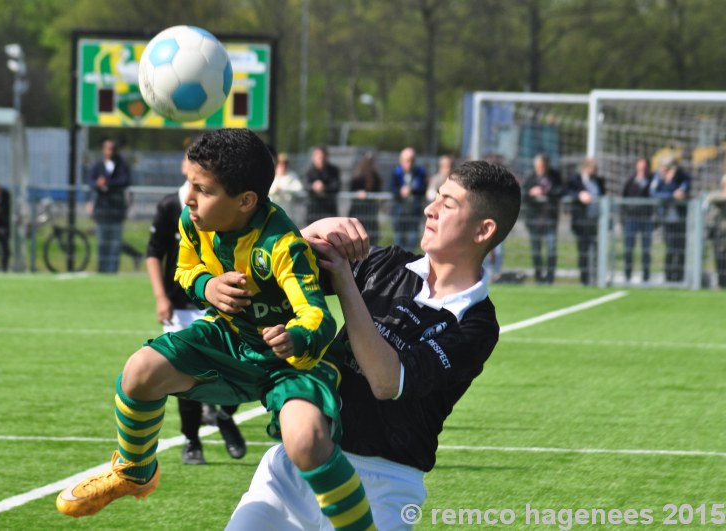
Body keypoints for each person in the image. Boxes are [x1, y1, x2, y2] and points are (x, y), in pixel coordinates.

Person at [57, 129, 375, 530]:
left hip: (288, 363)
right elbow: (185, 270)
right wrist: (208, 286)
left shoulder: (282, 245)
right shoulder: (193, 220)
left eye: (201, 189)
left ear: (245, 202)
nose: (188, 197)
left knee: (306, 441)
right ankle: (134, 471)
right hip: (228, 339)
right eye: (189, 182)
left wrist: (293, 336)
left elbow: (317, 317)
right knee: (138, 372)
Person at [228, 160, 522, 530]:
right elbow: (265, 280)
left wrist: (346, 282)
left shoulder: (477, 324)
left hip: (383, 484)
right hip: (297, 463)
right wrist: (309, 232)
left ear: (484, 230)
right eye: (436, 197)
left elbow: (387, 381)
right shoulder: (386, 263)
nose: (430, 209)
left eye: (448, 204)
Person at [145, 153, 246, 466]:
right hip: (180, 306)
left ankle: (225, 416)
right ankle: (192, 441)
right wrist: (161, 297)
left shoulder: (222, 203)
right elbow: (153, 254)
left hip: (221, 304)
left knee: (238, 369)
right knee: (183, 375)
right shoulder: (170, 206)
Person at [87, 138, 132, 273]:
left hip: (117, 210)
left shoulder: (121, 165)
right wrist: (97, 184)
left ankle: (113, 270)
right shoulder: (98, 166)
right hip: (102, 210)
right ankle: (102, 269)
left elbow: (125, 180)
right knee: (102, 242)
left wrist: (108, 183)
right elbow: (90, 180)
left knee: (115, 243)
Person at [521, 153, 564, 284]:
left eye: (542, 167)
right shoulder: (530, 177)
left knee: (551, 249)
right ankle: (538, 277)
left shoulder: (555, 176)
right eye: (538, 167)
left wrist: (547, 192)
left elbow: (561, 190)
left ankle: (550, 277)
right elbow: (522, 193)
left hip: (550, 218)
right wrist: (531, 192)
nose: (540, 169)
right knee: (536, 249)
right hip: (534, 220)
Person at [650, 156, 691, 282]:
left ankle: (679, 277)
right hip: (666, 219)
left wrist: (676, 187)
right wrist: (671, 195)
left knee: (680, 249)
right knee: (669, 249)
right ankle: (668, 277)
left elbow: (684, 188)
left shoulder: (682, 177)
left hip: (680, 219)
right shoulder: (658, 177)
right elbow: (654, 193)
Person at [567, 158, 606, 286]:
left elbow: (603, 196)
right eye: (592, 168)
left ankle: (596, 278)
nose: (594, 170)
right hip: (581, 223)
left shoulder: (599, 181)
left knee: (597, 252)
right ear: (585, 168)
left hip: (596, 222)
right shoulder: (576, 180)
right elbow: (567, 191)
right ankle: (584, 280)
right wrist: (579, 195)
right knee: (583, 252)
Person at [621, 157, 654, 283]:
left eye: (644, 167)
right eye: (640, 167)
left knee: (646, 250)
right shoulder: (630, 181)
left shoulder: (652, 180)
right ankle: (627, 275)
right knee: (628, 249)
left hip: (646, 218)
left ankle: (646, 276)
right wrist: (622, 218)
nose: (642, 170)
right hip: (631, 218)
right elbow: (623, 199)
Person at [390, 147, 428, 251]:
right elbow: (392, 189)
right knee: (399, 240)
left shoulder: (420, 172)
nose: (410, 163)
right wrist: (400, 192)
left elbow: (423, 188)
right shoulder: (396, 173)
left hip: (414, 211)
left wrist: (411, 190)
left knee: (412, 240)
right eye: (407, 160)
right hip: (399, 211)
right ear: (401, 161)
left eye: (412, 160)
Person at [348, 152, 382, 246]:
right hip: (358, 211)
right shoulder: (357, 176)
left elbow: (378, 190)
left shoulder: (376, 177)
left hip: (370, 211)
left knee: (371, 235)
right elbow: (352, 189)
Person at [304, 146, 341, 225]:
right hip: (313, 211)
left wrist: (324, 188)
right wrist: (313, 187)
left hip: (329, 211)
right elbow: (306, 186)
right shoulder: (309, 171)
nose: (320, 159)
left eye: (322, 157)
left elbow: (336, 186)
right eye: (318, 157)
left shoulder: (334, 170)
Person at [705, 174, 726, 289]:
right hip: (720, 234)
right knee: (720, 260)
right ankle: (722, 284)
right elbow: (710, 198)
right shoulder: (717, 196)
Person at [268, 152, 303, 217]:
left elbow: (299, 190)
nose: (282, 167)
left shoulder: (292, 176)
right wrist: (274, 190)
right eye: (280, 165)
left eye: (284, 165)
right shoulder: (271, 176)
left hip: (288, 211)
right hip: (273, 210)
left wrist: (283, 189)